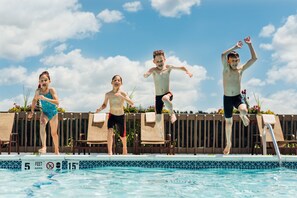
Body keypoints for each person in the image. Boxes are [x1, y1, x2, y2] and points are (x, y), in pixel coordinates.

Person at [221, 36, 257, 155]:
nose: (235, 63)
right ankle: (229, 143)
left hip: (237, 97)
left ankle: (242, 116)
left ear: (239, 60)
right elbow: (222, 55)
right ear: (228, 61)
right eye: (233, 61)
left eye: (236, 61)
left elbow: (254, 58)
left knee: (243, 110)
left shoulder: (241, 69)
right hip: (227, 98)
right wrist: (235, 47)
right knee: (228, 122)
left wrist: (250, 45)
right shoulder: (226, 69)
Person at [143, 50, 193, 123]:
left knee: (165, 98)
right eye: (157, 61)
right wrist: (146, 75)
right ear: (154, 61)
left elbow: (181, 67)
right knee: (158, 119)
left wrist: (188, 72)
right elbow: (147, 74)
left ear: (164, 60)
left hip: (168, 93)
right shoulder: (153, 70)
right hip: (158, 97)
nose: (160, 63)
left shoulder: (168, 68)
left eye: (161, 61)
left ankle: (172, 113)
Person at [96, 75, 134, 155]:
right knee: (109, 131)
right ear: (112, 82)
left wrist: (122, 96)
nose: (117, 82)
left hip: (121, 115)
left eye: (118, 80)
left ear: (121, 83)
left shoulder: (123, 93)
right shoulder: (108, 94)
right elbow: (104, 105)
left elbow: (131, 103)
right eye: (115, 80)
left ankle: (124, 148)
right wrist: (100, 109)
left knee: (122, 135)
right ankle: (110, 152)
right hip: (112, 115)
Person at [28, 71, 60, 155]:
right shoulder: (38, 91)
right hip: (45, 112)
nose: (43, 82)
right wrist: (31, 111)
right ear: (39, 82)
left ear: (49, 81)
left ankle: (56, 150)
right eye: (41, 81)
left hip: (53, 113)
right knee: (42, 123)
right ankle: (44, 147)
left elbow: (57, 102)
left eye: (45, 80)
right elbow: (34, 100)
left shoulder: (51, 90)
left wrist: (45, 99)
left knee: (54, 133)